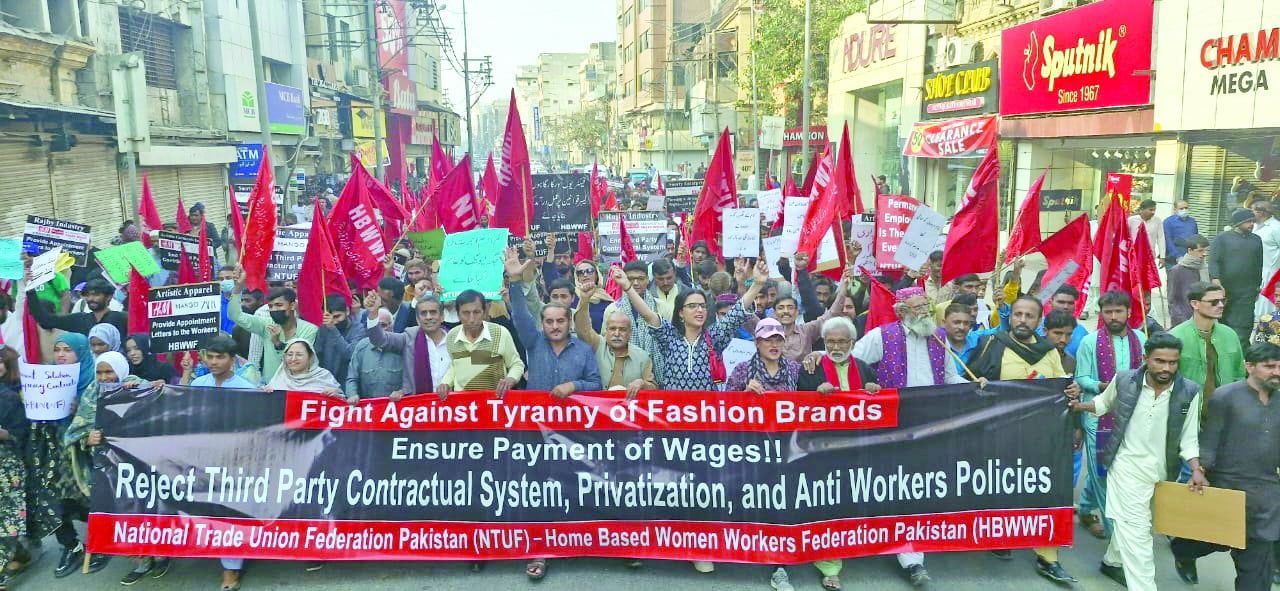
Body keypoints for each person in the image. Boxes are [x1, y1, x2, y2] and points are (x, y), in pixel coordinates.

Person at [1068, 333, 1206, 591]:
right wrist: (1079, 407)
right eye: (1160, 361)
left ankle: (1112, 560)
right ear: (1146, 359)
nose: (1166, 368)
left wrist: (1196, 468)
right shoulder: (1124, 380)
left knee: (1134, 526)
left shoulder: (1188, 391)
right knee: (1139, 533)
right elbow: (1102, 404)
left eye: (1172, 362)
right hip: (1125, 467)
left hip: (1162, 472)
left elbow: (1189, 437)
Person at [967, 296, 1082, 583]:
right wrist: (977, 386)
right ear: (1011, 316)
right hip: (1000, 433)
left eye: (1029, 315)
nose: (1022, 320)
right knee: (1002, 485)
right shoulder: (992, 344)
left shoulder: (1049, 352)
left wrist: (1072, 391)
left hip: (1042, 436)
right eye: (1018, 314)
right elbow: (969, 385)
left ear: (1039, 321)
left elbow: (1063, 387)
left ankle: (1048, 556)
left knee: (1044, 490)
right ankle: (1001, 536)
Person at [850, 286, 958, 586]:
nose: (925, 312)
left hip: (931, 426)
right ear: (901, 312)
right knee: (897, 488)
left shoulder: (940, 337)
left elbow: (951, 378)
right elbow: (852, 364)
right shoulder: (881, 336)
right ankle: (909, 557)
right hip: (892, 427)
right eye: (918, 307)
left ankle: (910, 549)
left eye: (926, 305)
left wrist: (979, 386)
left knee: (916, 491)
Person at [1170, 342, 1280, 590]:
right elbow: (1210, 440)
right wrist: (1199, 471)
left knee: (1256, 567)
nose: (1277, 372)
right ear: (1249, 367)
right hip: (1228, 488)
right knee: (1212, 540)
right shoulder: (1226, 397)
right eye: (1270, 366)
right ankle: (1183, 549)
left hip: (1267, 494)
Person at [1073, 290, 1148, 539]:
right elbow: (1081, 378)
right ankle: (1116, 532)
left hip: (1132, 414)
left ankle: (1084, 508)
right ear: (1102, 313)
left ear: (1128, 312)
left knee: (1119, 469)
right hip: (1097, 416)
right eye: (1108, 312)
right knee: (1105, 473)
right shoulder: (1090, 342)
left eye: (1118, 311)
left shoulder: (1141, 338)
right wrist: (1102, 387)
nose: (1113, 316)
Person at [35, 334, 110, 578]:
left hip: (85, 456)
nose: (61, 355)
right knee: (53, 501)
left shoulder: (93, 382)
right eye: (57, 350)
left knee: (89, 499)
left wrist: (81, 413)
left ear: (81, 353)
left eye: (68, 349)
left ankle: (101, 543)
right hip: (55, 453)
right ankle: (72, 546)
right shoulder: (47, 379)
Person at [184, 333, 254, 589]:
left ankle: (231, 570)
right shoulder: (198, 383)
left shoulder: (248, 389)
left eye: (219, 357)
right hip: (201, 459)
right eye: (209, 357)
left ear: (232, 360)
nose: (213, 362)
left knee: (230, 514)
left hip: (235, 462)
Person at [747, 254, 850, 361]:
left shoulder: (807, 331)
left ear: (797, 313)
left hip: (802, 377)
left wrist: (845, 285)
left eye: (790, 307)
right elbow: (744, 313)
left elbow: (832, 314)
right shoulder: (764, 329)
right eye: (781, 308)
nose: (786, 311)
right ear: (774, 313)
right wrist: (743, 282)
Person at [228, 268, 318, 382]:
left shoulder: (309, 330)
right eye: (271, 306)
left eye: (279, 305)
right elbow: (235, 316)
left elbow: (296, 363)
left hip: (297, 388)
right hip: (270, 390)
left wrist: (277, 344)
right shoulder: (266, 324)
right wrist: (237, 289)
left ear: (292, 306)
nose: (274, 309)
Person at [433, 290, 525, 400]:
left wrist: (511, 379)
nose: (471, 319)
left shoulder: (500, 333)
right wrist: (446, 383)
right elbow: (455, 365)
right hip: (463, 407)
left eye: (476, 312)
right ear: (458, 314)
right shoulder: (452, 336)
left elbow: (516, 364)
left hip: (494, 404)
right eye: (466, 313)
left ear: (484, 312)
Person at [1168, 282, 1245, 410]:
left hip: (1225, 411)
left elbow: (1239, 373)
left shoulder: (1230, 335)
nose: (1220, 305)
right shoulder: (1176, 337)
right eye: (1214, 302)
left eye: (1222, 301)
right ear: (1195, 304)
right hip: (1189, 412)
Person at [365, 291, 451, 399]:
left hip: (454, 407)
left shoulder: (454, 339)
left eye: (433, 312)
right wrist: (373, 314)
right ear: (418, 319)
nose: (428, 317)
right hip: (419, 408)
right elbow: (380, 340)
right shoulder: (410, 337)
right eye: (424, 313)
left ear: (442, 316)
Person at [593, 260, 663, 387]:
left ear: (648, 280)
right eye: (630, 279)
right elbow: (606, 342)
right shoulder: (613, 309)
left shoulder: (662, 307)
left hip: (656, 372)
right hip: (622, 370)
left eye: (640, 279)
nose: (635, 283)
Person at [1210, 208, 1264, 346]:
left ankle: (1242, 356)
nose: (1251, 224)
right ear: (1237, 223)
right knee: (1225, 322)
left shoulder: (1256, 240)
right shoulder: (1222, 239)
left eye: (1253, 221)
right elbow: (1214, 261)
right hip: (1226, 290)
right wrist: (1216, 280)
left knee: (1244, 325)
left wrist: (1257, 286)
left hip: (1248, 291)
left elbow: (1259, 264)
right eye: (1248, 221)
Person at [0, 346, 30, 587]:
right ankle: (19, 553)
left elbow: (21, 432)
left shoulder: (9, 397)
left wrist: (4, 434)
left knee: (7, 516)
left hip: (7, 466)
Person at [27, 277, 128, 338]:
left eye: (96, 295)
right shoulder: (80, 319)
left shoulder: (121, 319)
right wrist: (30, 290)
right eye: (88, 295)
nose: (91, 298)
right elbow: (46, 320)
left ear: (109, 297)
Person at [343, 308, 404, 403]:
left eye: (383, 325)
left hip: (397, 410)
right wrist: (352, 395)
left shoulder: (402, 346)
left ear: (392, 327)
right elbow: (352, 378)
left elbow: (411, 380)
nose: (378, 329)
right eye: (375, 325)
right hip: (368, 411)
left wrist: (402, 392)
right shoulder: (361, 347)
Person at [725, 318, 800, 393]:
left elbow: (808, 400)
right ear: (757, 343)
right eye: (768, 340)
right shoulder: (742, 370)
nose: (774, 345)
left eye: (779, 340)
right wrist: (745, 393)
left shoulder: (795, 369)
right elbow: (727, 401)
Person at [265, 339, 342, 396]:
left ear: (310, 357)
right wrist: (264, 394)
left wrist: (335, 395)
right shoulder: (280, 377)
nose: (293, 359)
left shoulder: (323, 376)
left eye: (299, 354)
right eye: (289, 354)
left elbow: (343, 407)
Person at [1167, 234, 1211, 326]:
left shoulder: (1205, 269)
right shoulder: (1177, 270)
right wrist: (1184, 322)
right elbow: (1172, 301)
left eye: (1205, 250)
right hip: (1184, 321)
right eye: (1200, 251)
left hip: (1205, 318)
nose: (1204, 254)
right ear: (1190, 250)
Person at [1037, 285, 1089, 358]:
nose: (1066, 307)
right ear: (1050, 302)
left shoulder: (1083, 334)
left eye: (1070, 303)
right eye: (1061, 302)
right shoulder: (1034, 327)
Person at [1127, 199, 1165, 268]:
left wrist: (1162, 256)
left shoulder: (1157, 221)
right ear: (1142, 209)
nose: (1153, 212)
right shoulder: (1131, 220)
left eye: (1154, 210)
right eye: (1150, 210)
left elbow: (1161, 238)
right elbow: (1125, 237)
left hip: (1149, 256)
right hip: (1133, 256)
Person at [1164, 199, 1199, 266]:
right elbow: (1168, 241)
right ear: (1175, 210)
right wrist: (1177, 256)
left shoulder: (1192, 222)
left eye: (1186, 208)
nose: (1184, 210)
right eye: (1181, 208)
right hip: (1172, 259)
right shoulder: (1168, 222)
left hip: (1189, 258)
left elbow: (1196, 239)